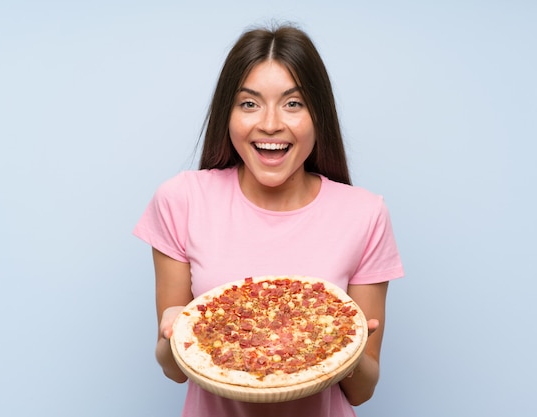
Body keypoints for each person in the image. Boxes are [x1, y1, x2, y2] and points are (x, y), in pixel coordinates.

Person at [133, 24, 404, 417]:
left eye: (293, 104)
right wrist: (171, 334)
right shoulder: (181, 200)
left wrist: (349, 345)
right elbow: (174, 370)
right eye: (249, 104)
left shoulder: (365, 213)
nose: (271, 124)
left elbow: (362, 390)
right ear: (227, 113)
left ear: (318, 114)